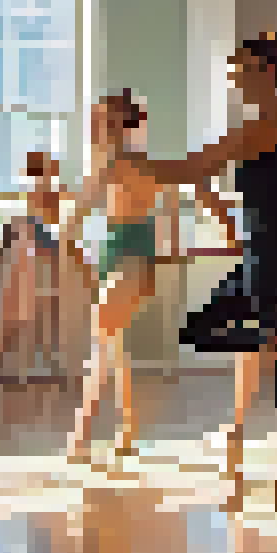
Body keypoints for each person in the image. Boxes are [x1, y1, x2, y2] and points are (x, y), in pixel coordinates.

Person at [149, 33, 277, 515]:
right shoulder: (270, 123)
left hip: (274, 252)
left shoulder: (261, 125)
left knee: (200, 331)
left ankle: (275, 351)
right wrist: (221, 215)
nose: (235, 78)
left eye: (241, 69)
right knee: (272, 343)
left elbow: (189, 166)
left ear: (266, 73)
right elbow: (217, 182)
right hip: (266, 249)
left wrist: (130, 163)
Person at [66, 91, 170, 460]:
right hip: (117, 256)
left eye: (108, 122)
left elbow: (73, 222)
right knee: (113, 345)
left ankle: (80, 436)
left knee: (103, 343)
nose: (101, 128)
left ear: (124, 125)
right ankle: (128, 430)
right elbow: (76, 222)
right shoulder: (114, 163)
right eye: (99, 121)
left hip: (131, 259)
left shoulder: (119, 164)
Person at [0, 150, 68, 382]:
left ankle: (42, 361)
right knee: (27, 312)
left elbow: (53, 228)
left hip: (42, 255)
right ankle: (22, 362)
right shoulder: (39, 199)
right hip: (34, 257)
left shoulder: (48, 197)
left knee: (40, 312)